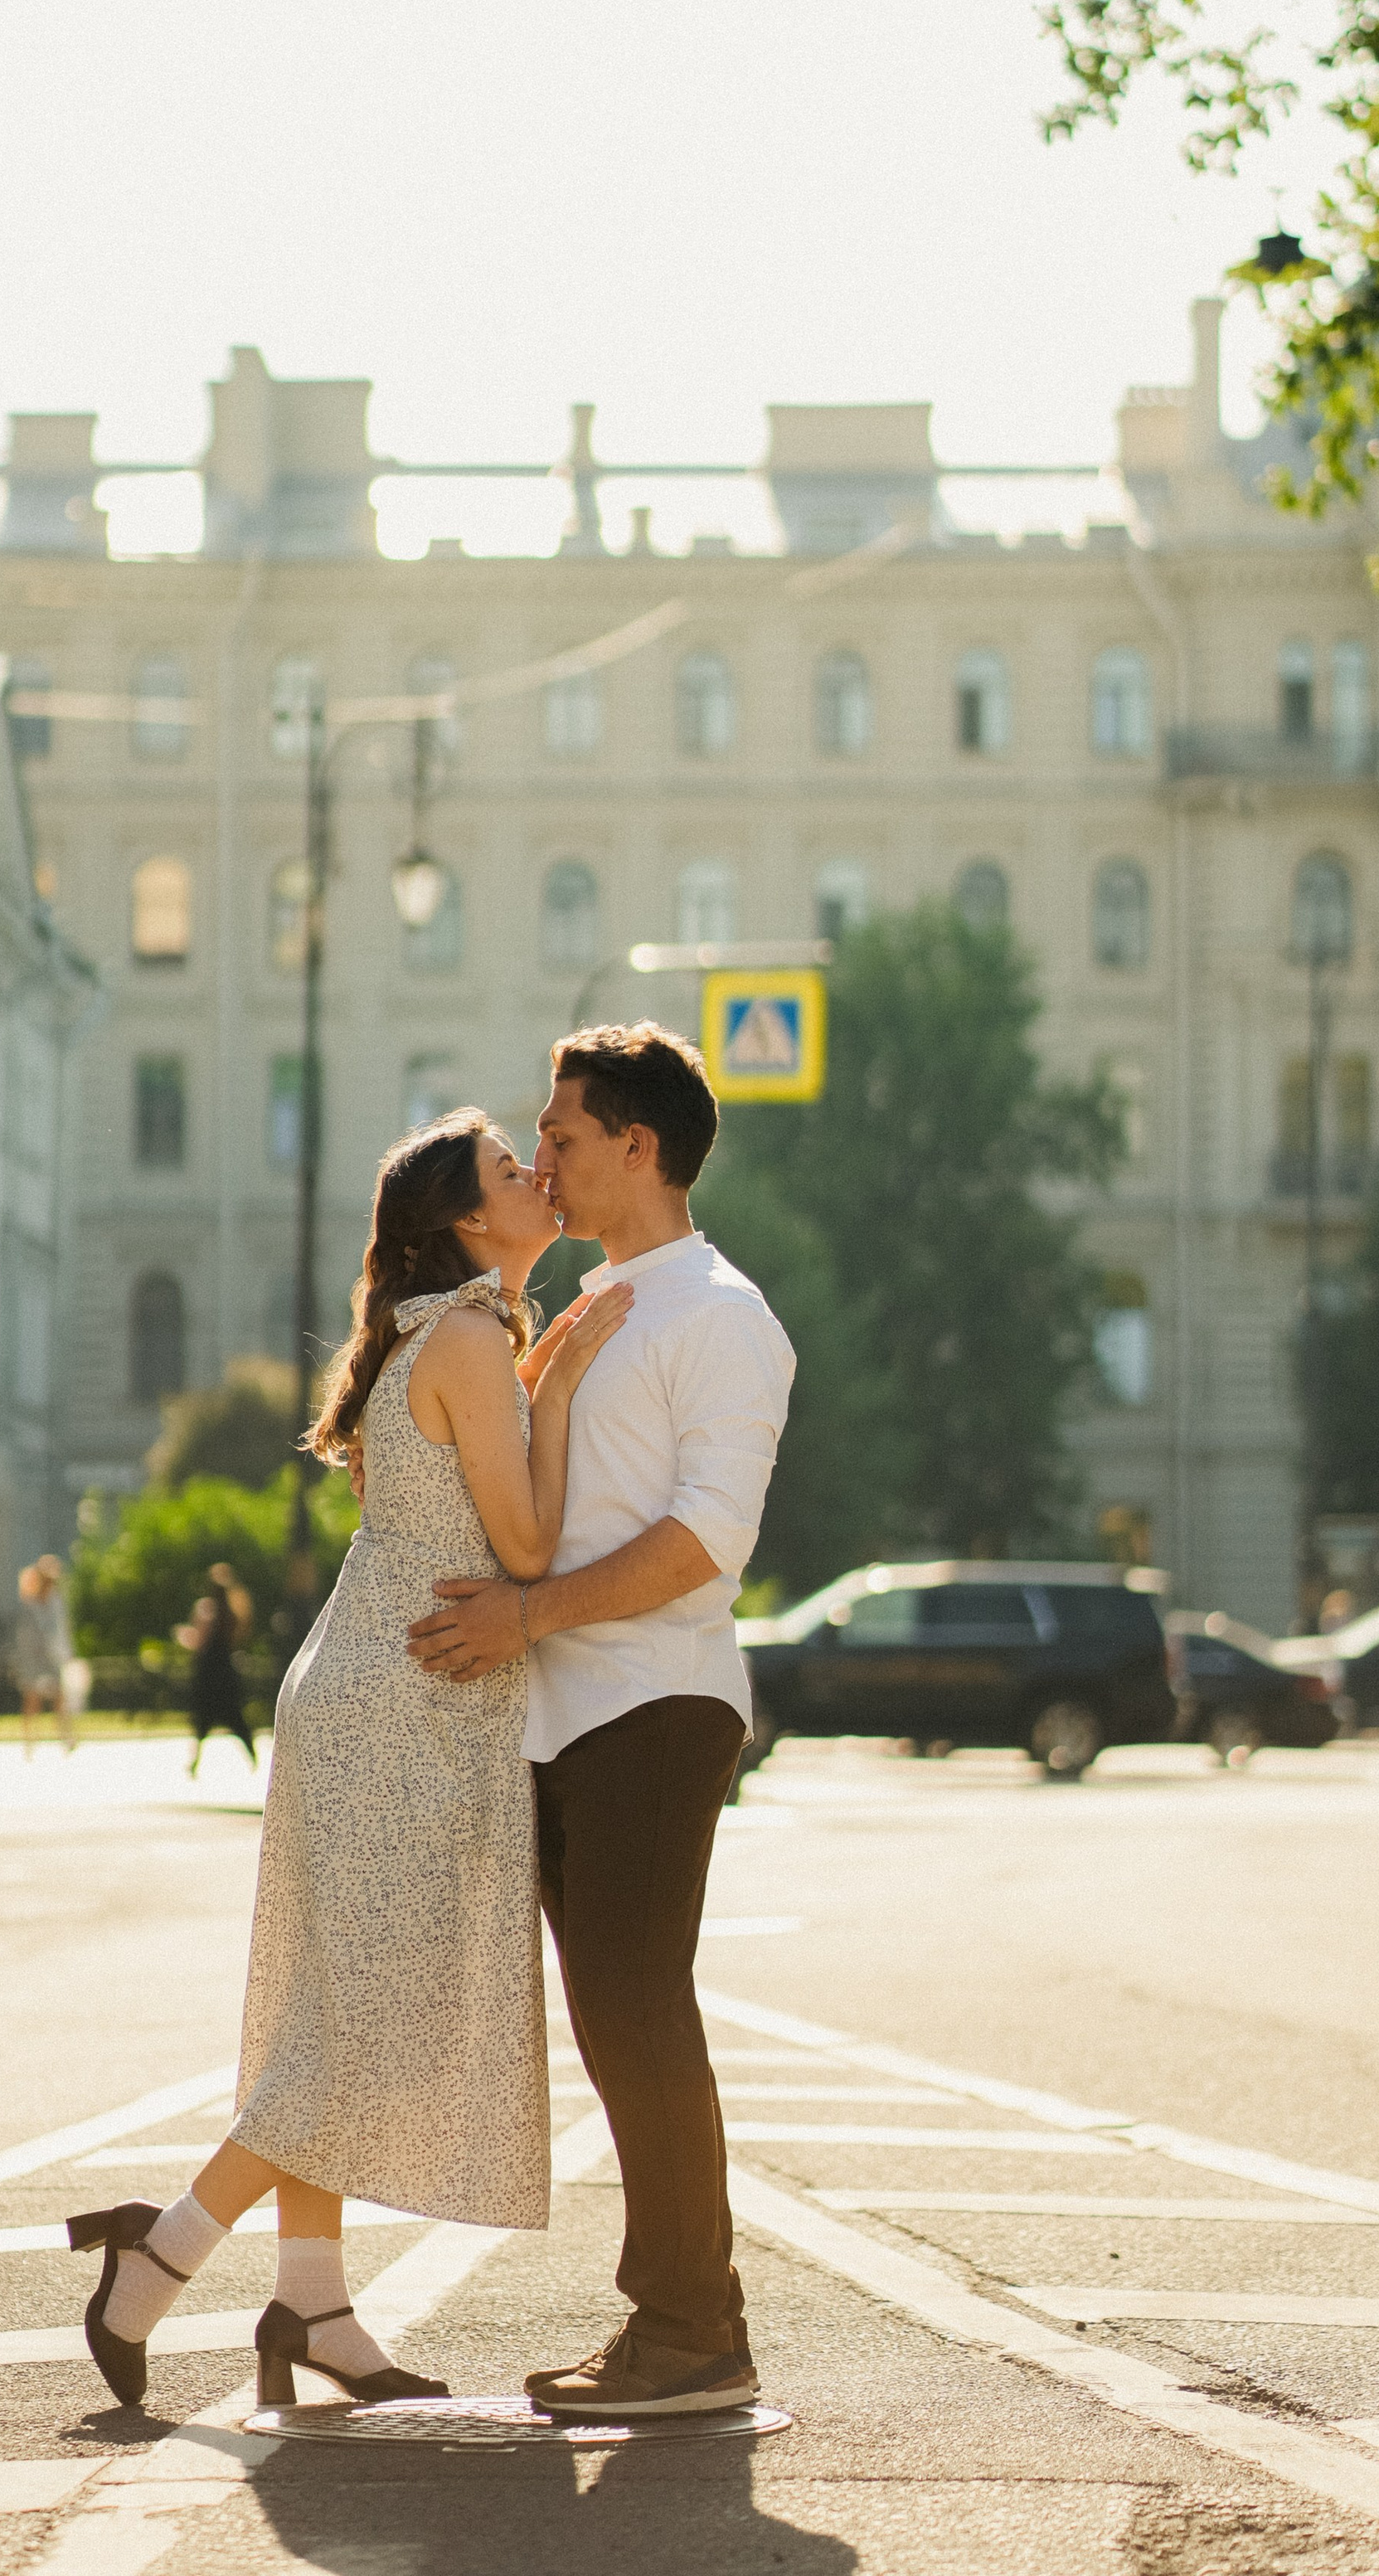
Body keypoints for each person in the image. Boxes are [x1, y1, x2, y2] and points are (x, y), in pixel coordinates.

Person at [66, 1109, 631, 2409]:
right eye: (508, 1169)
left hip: (368, 1697)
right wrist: (568, 1372)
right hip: (406, 1712)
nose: (536, 1175)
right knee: (353, 2033)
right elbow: (531, 1552)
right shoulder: (479, 1340)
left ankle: (311, 2306)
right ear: (469, 1225)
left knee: (334, 2018)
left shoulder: (437, 1337)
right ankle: (156, 2261)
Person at [407, 1023, 793, 2418]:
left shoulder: (723, 1317)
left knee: (641, 2013)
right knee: (615, 2023)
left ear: (640, 1147)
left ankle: (697, 2331)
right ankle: (678, 2323)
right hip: (563, 1717)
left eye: (562, 1135)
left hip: (656, 1706)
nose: (545, 1158)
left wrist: (530, 1618)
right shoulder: (597, 1307)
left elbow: (706, 1543)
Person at [177, 1560, 256, 1771]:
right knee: (236, 1718)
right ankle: (253, 1756)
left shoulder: (207, 1610)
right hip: (226, 1672)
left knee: (203, 1719)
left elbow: (199, 1641)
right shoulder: (233, 1613)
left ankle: (194, 1761)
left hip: (207, 1672)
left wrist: (184, 1636)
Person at [13, 1552, 75, 1754]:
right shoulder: (29, 1602)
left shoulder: (55, 1601)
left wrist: (66, 1653)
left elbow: (61, 1629)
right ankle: (29, 1741)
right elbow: (24, 1634)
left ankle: (65, 1736)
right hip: (32, 1656)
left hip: (52, 1655)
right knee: (32, 1698)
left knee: (59, 1697)